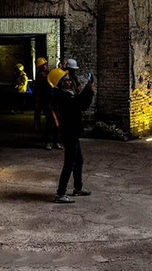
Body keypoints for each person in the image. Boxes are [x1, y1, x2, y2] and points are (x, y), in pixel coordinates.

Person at [50, 67, 95, 204]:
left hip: (72, 132)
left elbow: (79, 103)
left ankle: (78, 188)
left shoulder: (67, 94)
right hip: (69, 133)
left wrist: (88, 88)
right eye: (66, 80)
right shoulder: (62, 97)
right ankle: (60, 193)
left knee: (78, 161)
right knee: (69, 163)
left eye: (68, 79)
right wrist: (88, 90)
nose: (69, 81)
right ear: (60, 83)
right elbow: (79, 105)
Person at [34, 58, 61, 151]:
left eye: (46, 64)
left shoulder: (47, 73)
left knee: (56, 121)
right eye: (44, 65)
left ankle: (55, 141)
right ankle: (48, 142)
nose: (46, 66)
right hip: (46, 101)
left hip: (53, 101)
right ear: (41, 67)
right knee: (50, 122)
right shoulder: (42, 76)